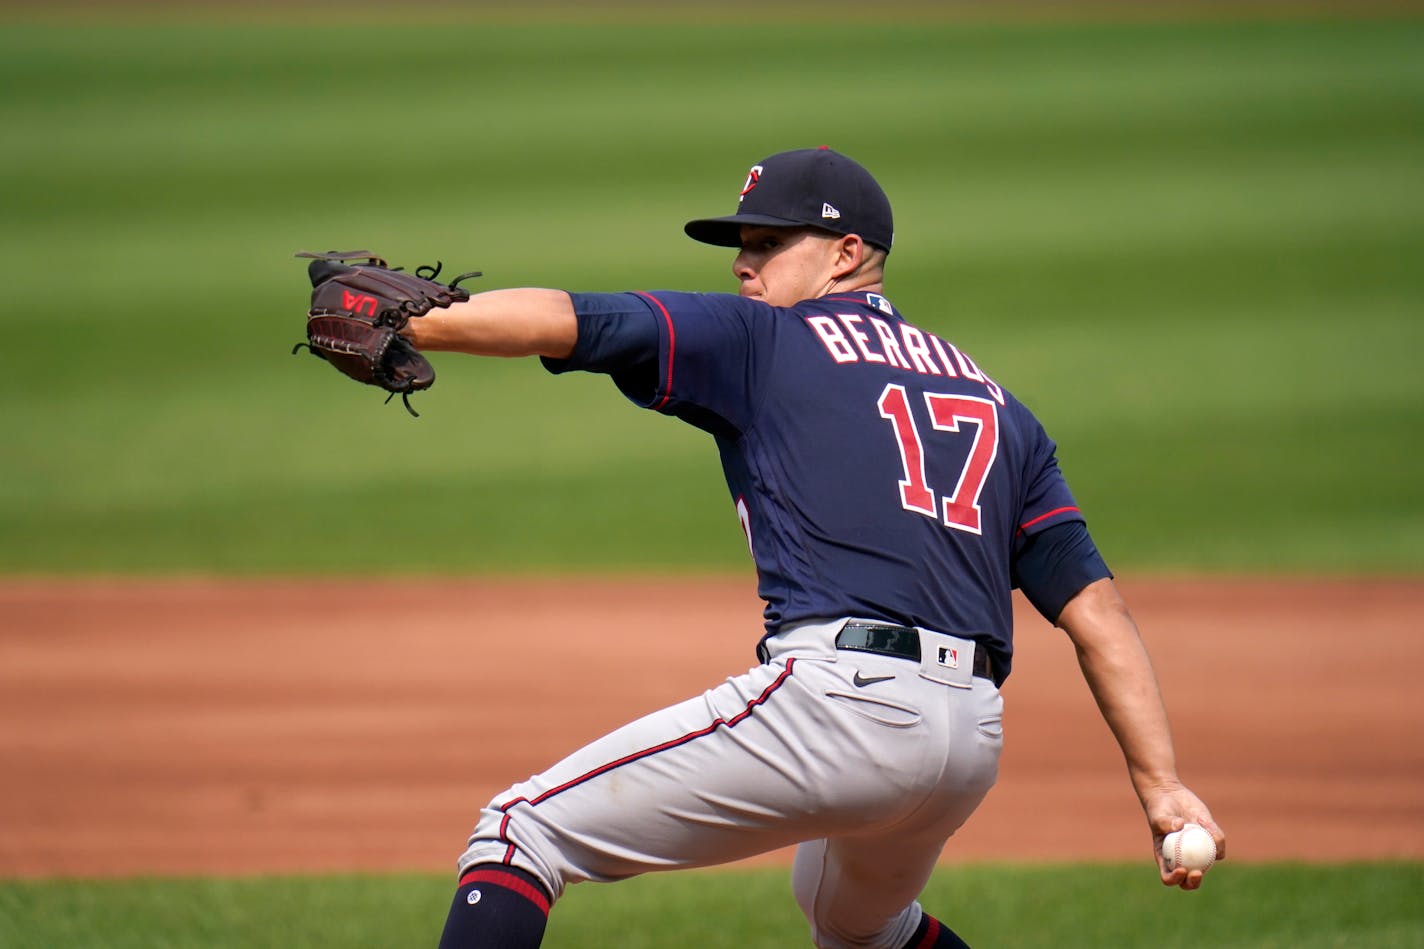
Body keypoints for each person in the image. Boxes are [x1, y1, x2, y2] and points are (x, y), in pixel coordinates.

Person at [404, 147, 1225, 949]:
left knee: (520, 832)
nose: (743, 265)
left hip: (841, 704)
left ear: (847, 253)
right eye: (741, 247)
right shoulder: (1001, 407)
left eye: (767, 243)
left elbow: (575, 320)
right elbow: (1097, 613)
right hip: (967, 741)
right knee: (856, 925)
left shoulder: (767, 341)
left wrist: (411, 320)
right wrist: (1162, 785)